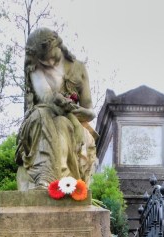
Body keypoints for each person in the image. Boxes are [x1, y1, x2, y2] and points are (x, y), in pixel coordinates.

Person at [16, 28, 97, 190]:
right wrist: (59, 102)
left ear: (58, 45)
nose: (50, 63)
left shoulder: (78, 68)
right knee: (44, 115)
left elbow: (90, 112)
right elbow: (46, 98)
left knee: (62, 124)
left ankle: (54, 180)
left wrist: (79, 113)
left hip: (70, 121)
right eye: (45, 62)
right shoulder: (35, 68)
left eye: (52, 58)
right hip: (40, 117)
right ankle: (45, 176)